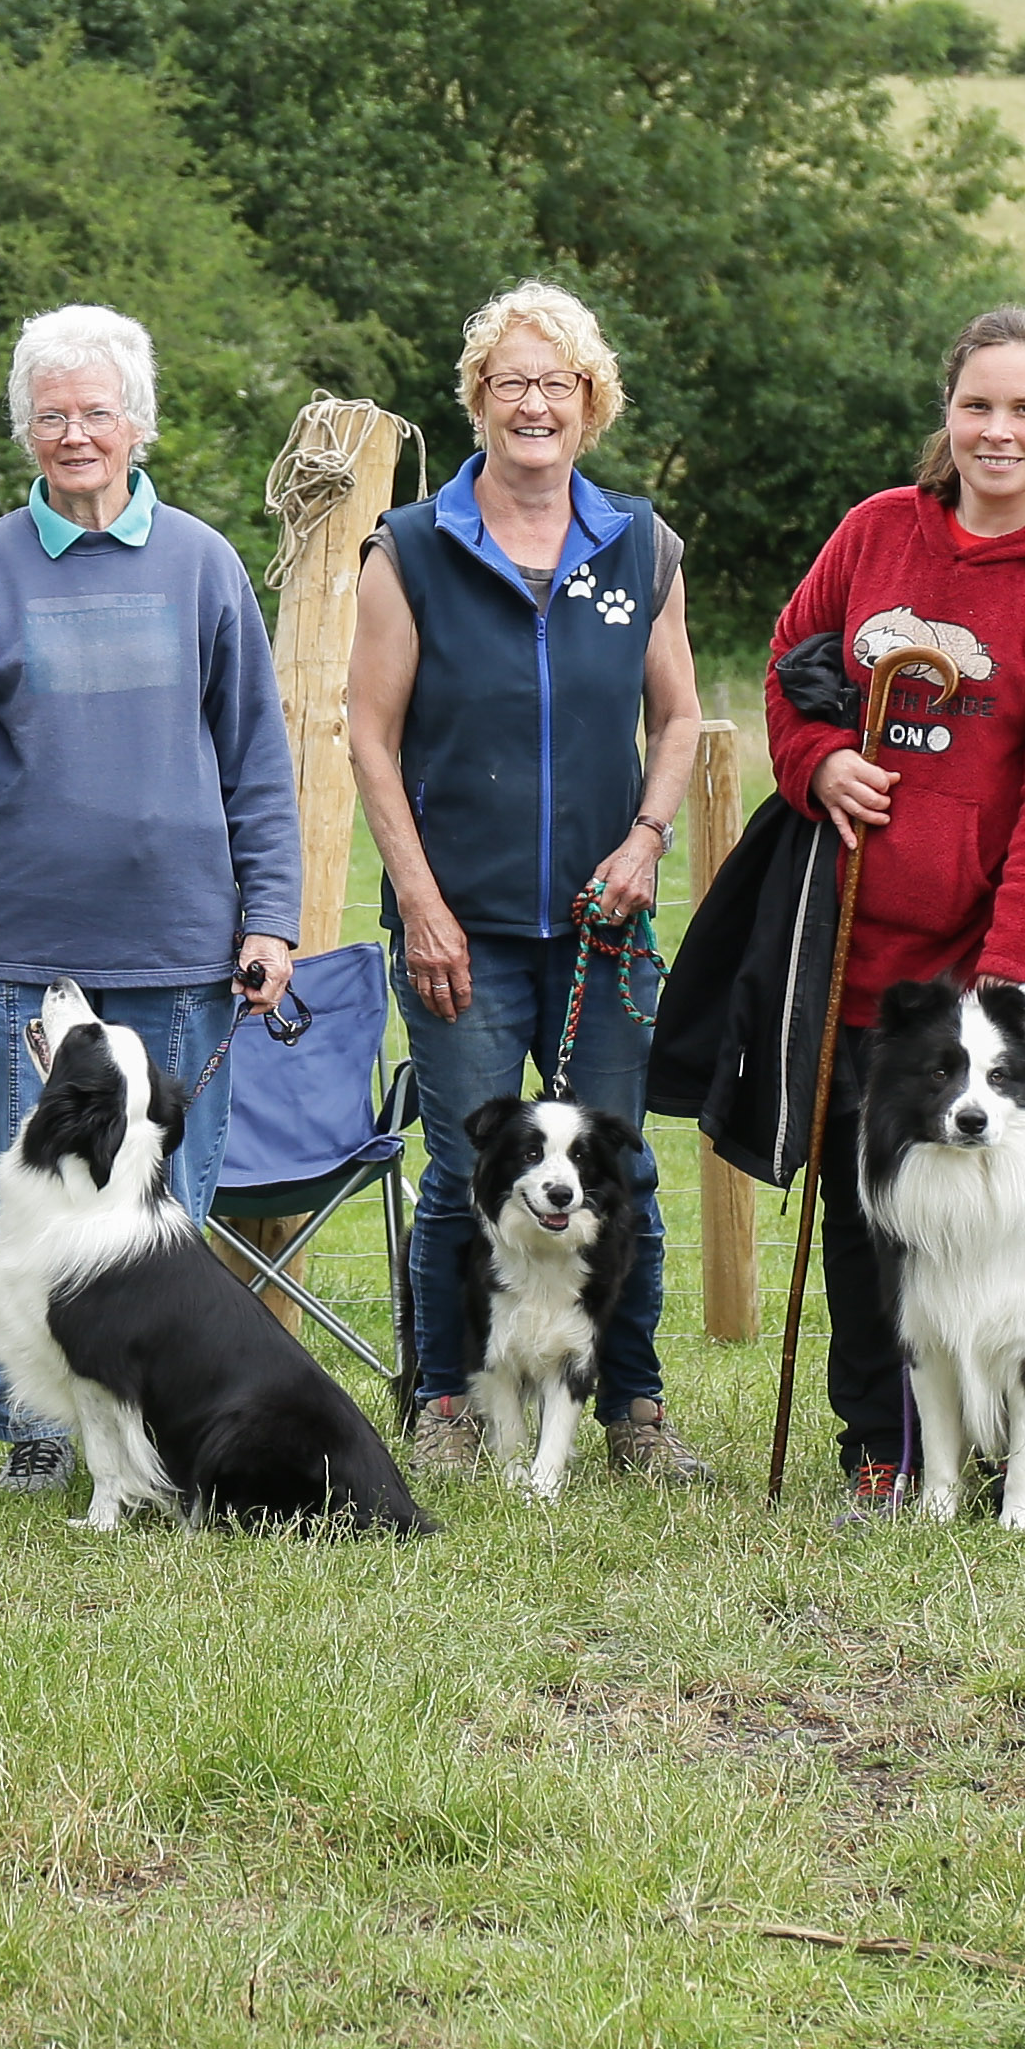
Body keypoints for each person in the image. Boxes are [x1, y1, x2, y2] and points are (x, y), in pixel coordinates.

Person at [0, 306, 298, 1494]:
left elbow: (257, 761)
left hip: (180, 949)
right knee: (22, 1197)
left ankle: (167, 1425)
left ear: (138, 423)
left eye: (96, 411)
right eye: (52, 413)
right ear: (26, 428)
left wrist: (268, 915)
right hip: (6, 946)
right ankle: (31, 1432)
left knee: (165, 1208)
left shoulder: (205, 564)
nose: (76, 434)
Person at [760, 304, 1025, 1512]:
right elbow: (790, 657)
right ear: (948, 412)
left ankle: (1010, 1447)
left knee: (1004, 1215)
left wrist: (1007, 990)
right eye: (978, 405)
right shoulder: (878, 532)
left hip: (1008, 969)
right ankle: (883, 1447)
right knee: (874, 1206)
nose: (998, 430)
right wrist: (816, 757)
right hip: (868, 956)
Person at [344, 282, 712, 1486]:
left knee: (623, 1175)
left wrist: (649, 836)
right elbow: (367, 734)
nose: (534, 404)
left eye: (556, 383)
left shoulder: (640, 544)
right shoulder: (410, 546)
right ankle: (443, 1401)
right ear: (479, 402)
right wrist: (423, 903)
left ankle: (635, 1409)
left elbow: (679, 719)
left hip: (603, 927)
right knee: (465, 1167)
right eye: (510, 383)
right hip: (460, 926)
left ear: (590, 402)